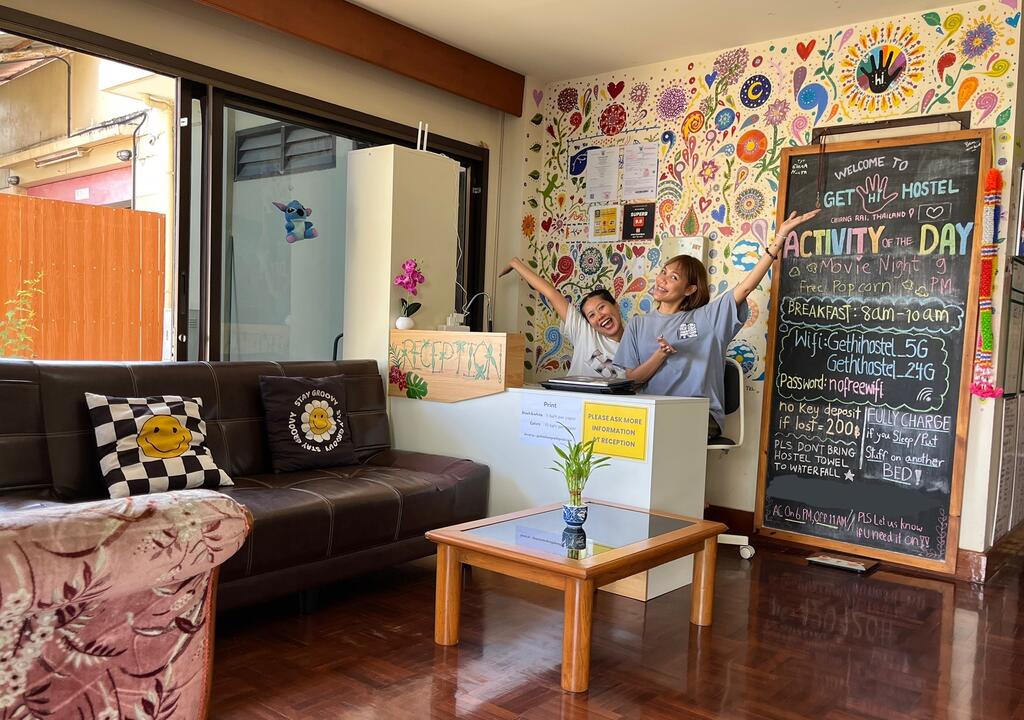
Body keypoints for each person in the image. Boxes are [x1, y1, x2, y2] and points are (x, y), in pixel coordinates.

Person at [615, 209, 820, 439]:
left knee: (661, 436)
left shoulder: (708, 318)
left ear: (689, 289)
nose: (662, 279)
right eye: (664, 272)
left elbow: (745, 288)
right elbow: (633, 380)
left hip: (697, 417)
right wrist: (660, 355)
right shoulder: (637, 325)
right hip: (654, 414)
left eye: (674, 277)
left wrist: (779, 238)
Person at [501, 257, 625, 377]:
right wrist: (515, 264)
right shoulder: (584, 332)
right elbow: (550, 293)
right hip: (572, 392)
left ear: (616, 306)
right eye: (591, 315)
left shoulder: (634, 345)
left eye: (601, 307)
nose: (599, 316)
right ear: (589, 323)